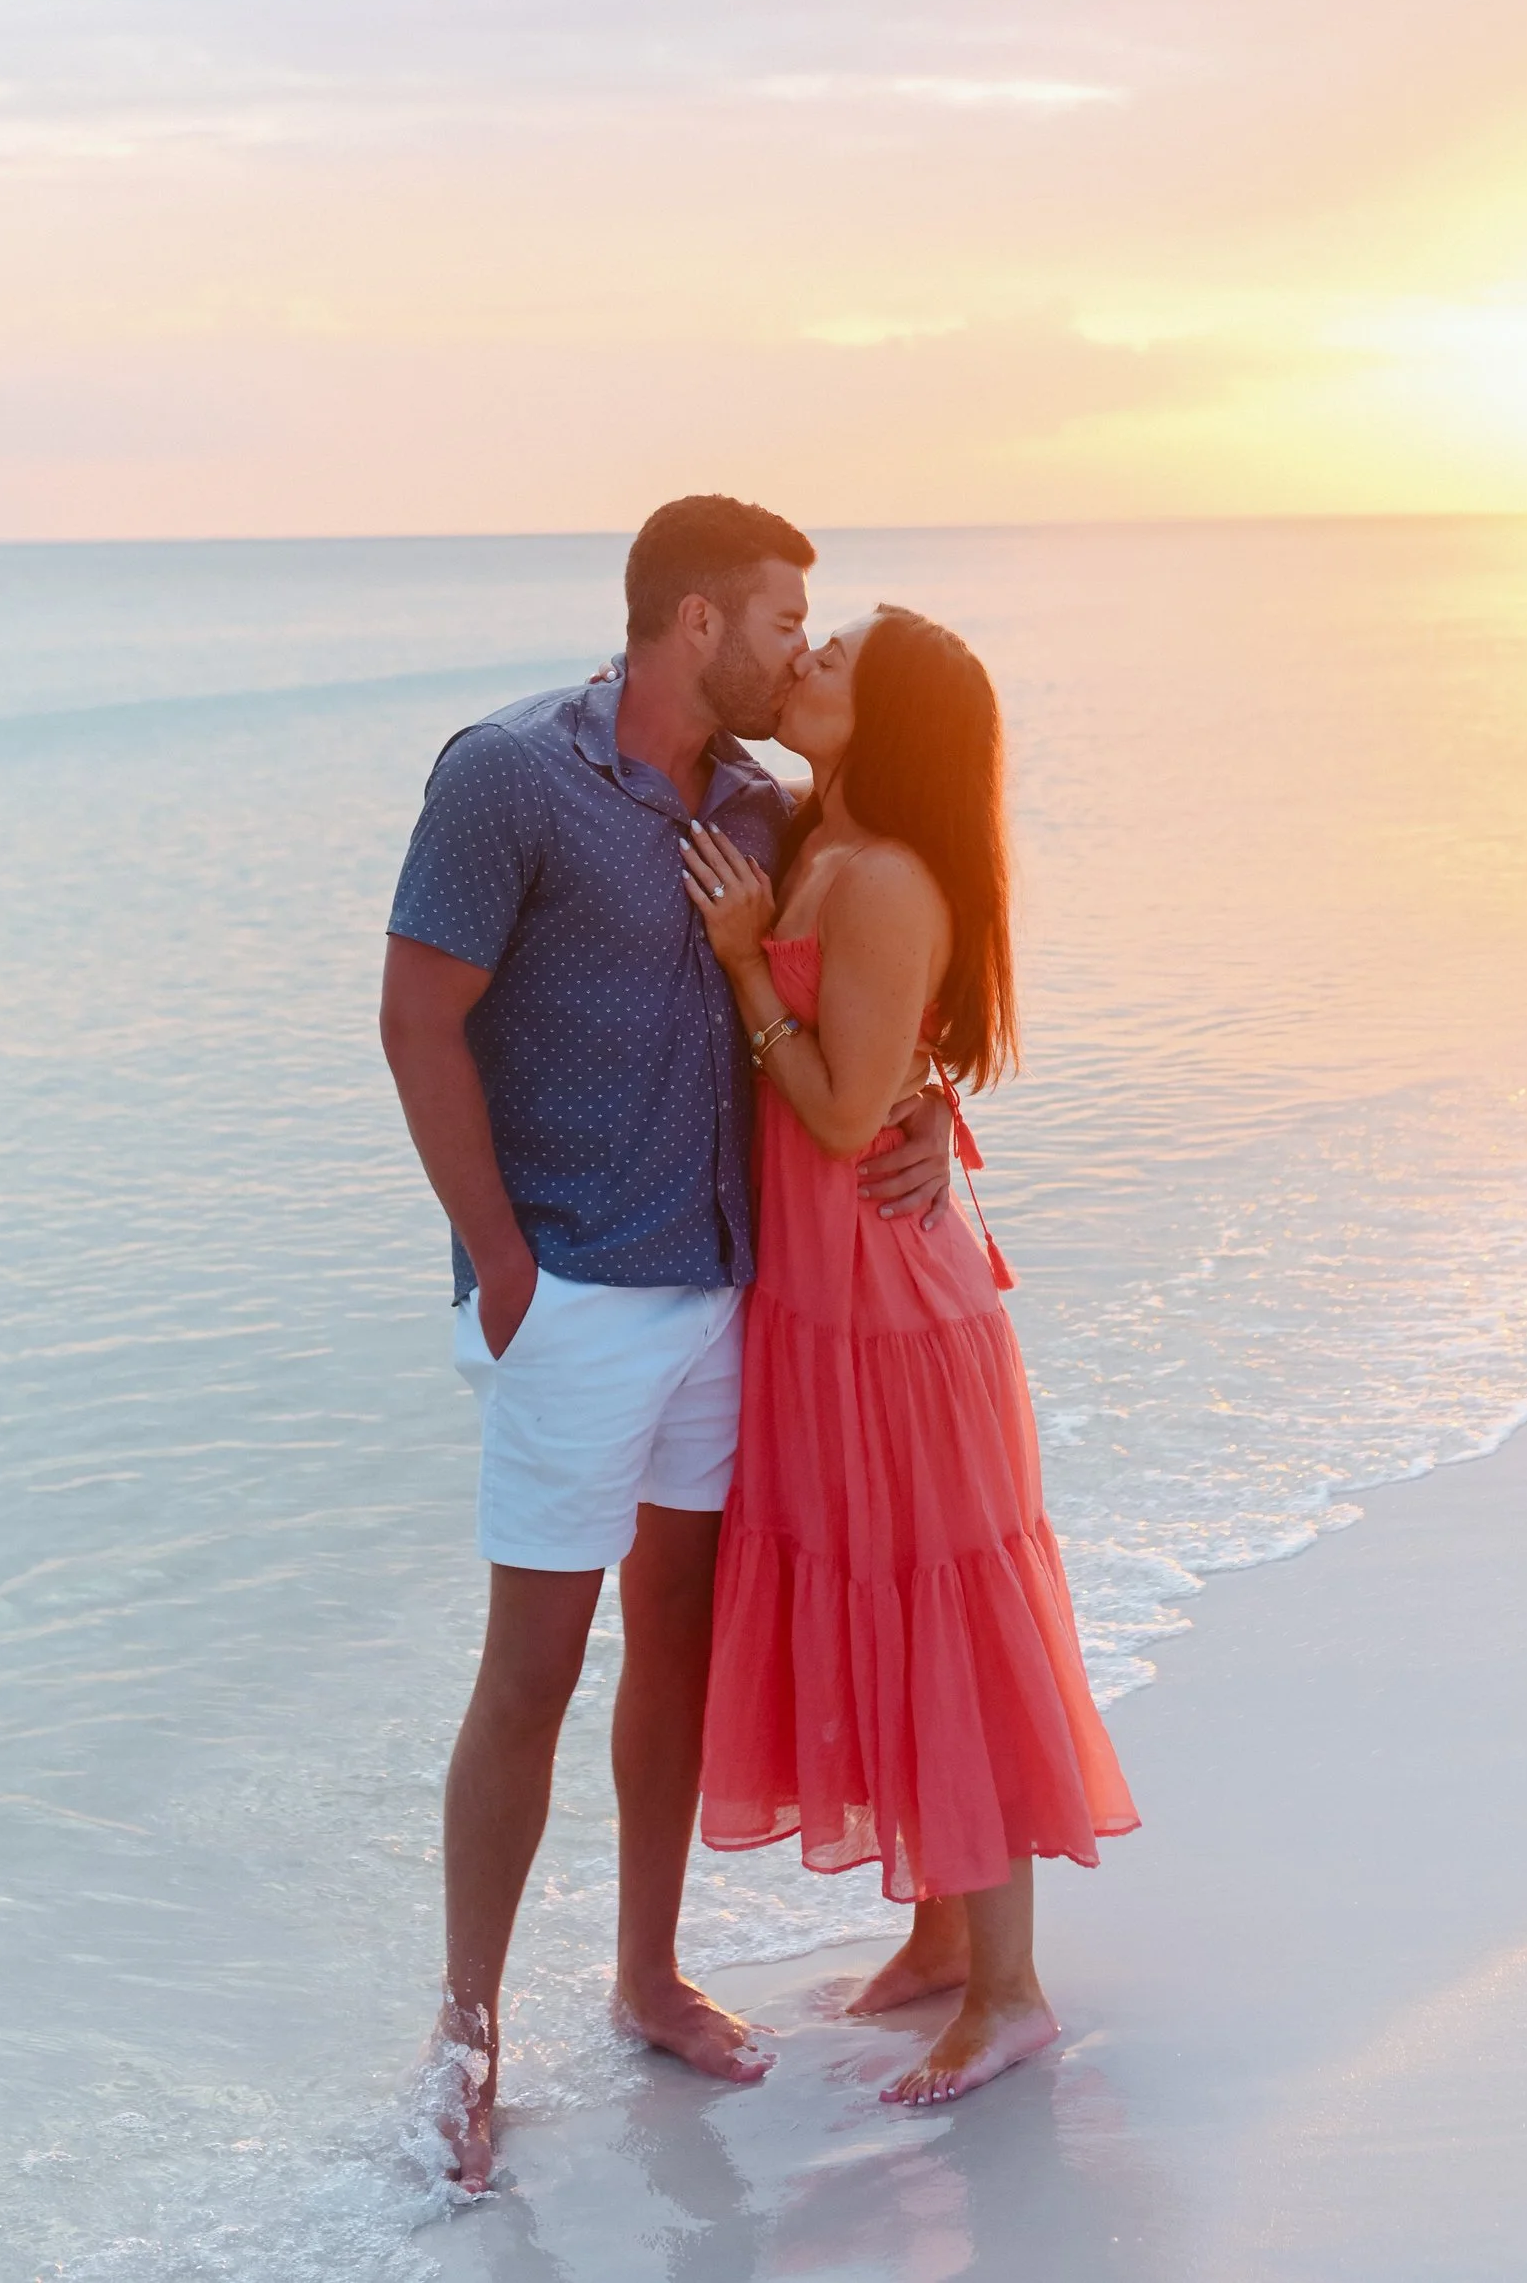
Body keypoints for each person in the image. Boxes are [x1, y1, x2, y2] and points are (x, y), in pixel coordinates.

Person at [378, 498, 958, 2193]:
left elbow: (875, 991)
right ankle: (466, 2036)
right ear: (694, 621)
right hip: (572, 1296)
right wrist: (500, 1262)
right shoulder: (507, 774)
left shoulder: (763, 805)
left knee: (678, 1639)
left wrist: (932, 1112)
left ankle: (645, 1972)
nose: (805, 644)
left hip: (726, 1290)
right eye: (788, 616)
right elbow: (418, 1015)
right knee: (534, 1667)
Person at [682, 603, 1138, 2105]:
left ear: (885, 721)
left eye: (834, 661)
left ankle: (1009, 1991)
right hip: (831, 1310)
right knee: (877, 1595)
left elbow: (830, 1107)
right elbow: (892, 1077)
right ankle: (943, 1935)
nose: (804, 666)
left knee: (948, 1616)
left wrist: (748, 966)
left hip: (899, 1320)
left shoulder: (876, 877)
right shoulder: (816, 830)